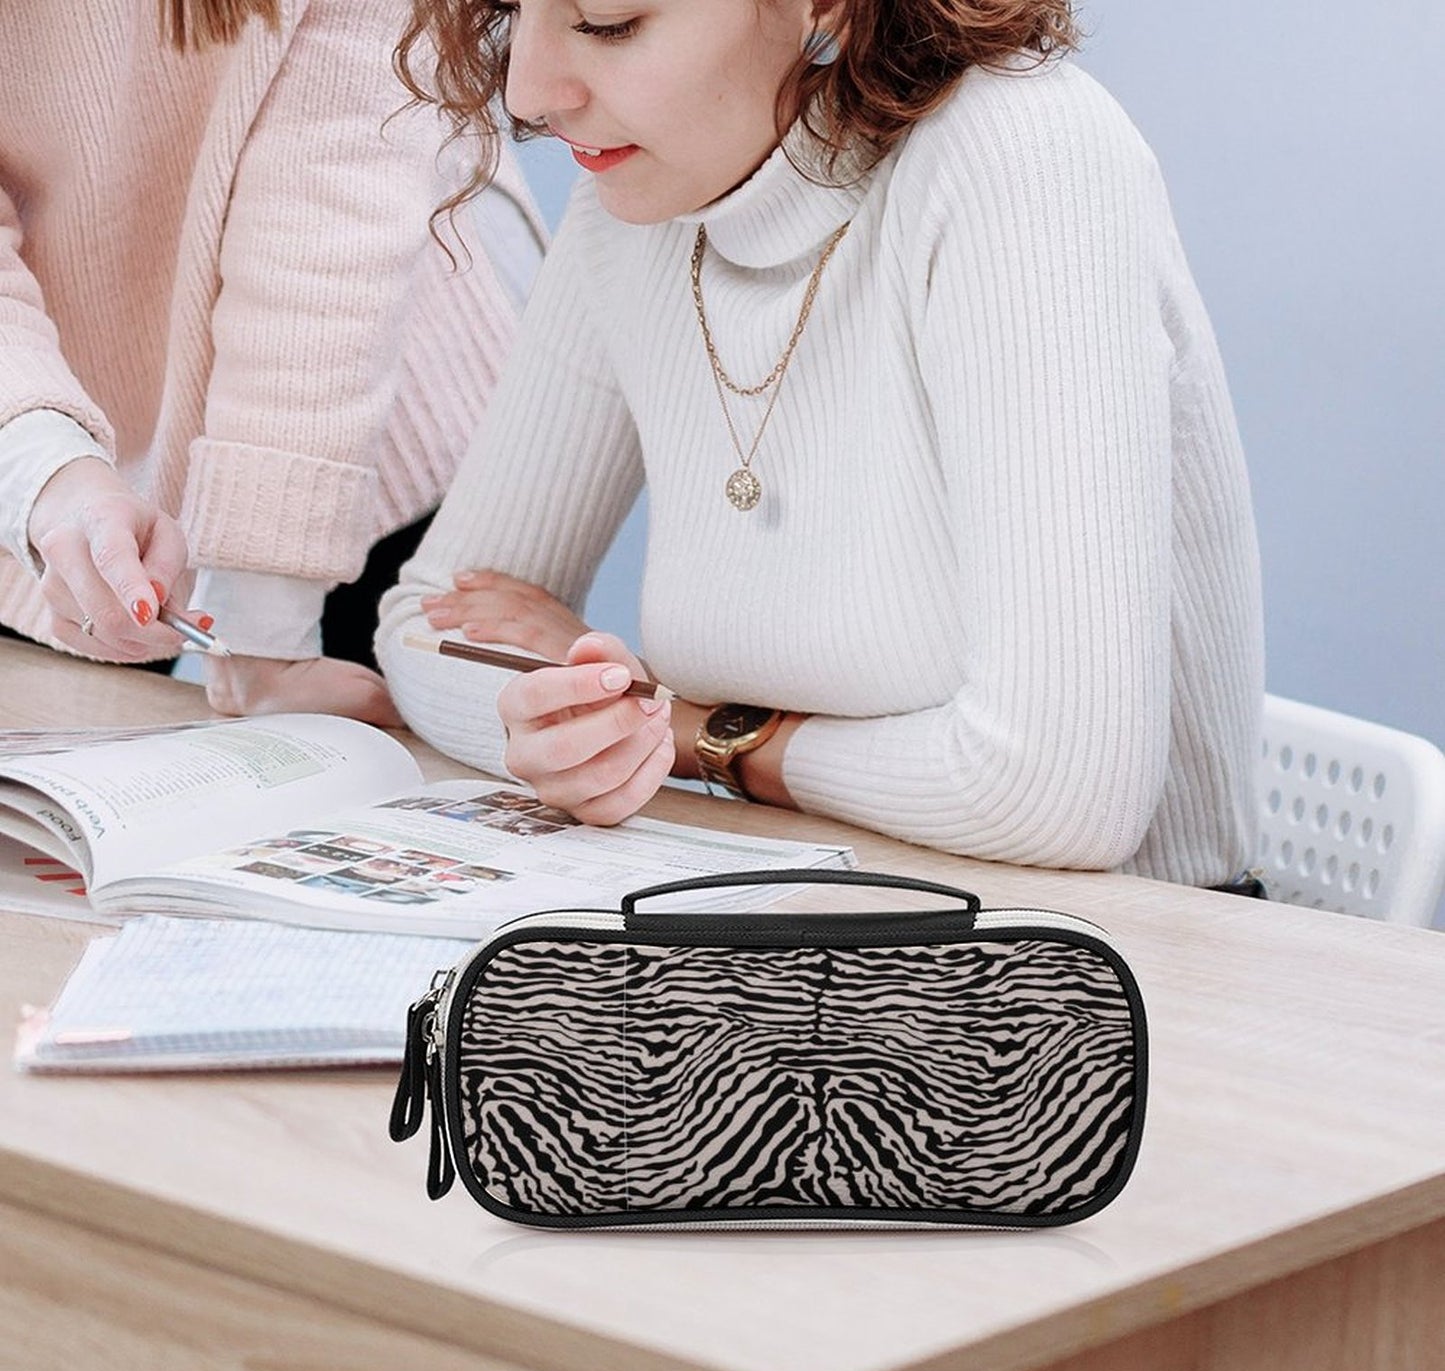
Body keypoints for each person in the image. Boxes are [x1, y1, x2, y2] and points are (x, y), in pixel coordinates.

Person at [377, 0, 1265, 888]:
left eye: (608, 24)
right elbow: (430, 619)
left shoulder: (1023, 152)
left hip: (1111, 967)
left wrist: (684, 728)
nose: (527, 94)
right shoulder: (631, 204)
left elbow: (1063, 795)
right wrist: (556, 724)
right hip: (795, 920)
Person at [0, 0, 541, 724]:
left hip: (359, 409)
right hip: (37, 400)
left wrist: (265, 626)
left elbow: (331, 194)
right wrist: (43, 470)